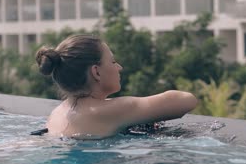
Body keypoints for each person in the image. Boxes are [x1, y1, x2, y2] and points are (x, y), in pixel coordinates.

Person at [34, 34, 198, 139]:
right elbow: (186, 101)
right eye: (112, 62)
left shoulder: (58, 111)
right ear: (96, 72)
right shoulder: (114, 109)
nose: (119, 67)